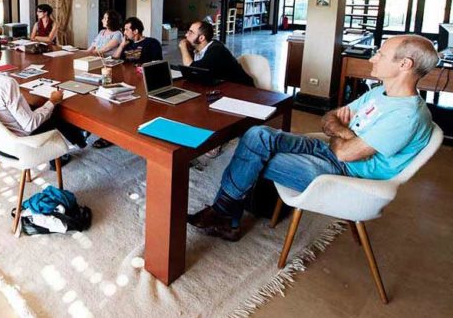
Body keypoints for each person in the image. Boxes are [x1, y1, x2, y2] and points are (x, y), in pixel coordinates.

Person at [188, 34, 438, 242]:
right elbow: (329, 118)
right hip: (330, 151)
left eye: (381, 54)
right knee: (257, 134)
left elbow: (344, 154)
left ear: (405, 64)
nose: (373, 58)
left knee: (251, 156)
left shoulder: (406, 116)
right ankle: (225, 215)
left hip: (346, 175)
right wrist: (344, 132)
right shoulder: (380, 93)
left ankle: (223, 215)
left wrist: (341, 133)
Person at [0, 34, 86, 169]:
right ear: (0, 56)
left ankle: (80, 139)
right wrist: (52, 101)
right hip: (20, 143)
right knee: (53, 112)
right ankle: (71, 147)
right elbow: (30, 124)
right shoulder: (6, 83)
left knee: (39, 107)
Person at [179, 20, 253, 86]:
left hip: (242, 89)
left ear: (201, 38)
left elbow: (193, 69)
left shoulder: (216, 50)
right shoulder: (195, 49)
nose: (186, 35)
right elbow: (193, 75)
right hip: (221, 87)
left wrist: (183, 47)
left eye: (190, 32)